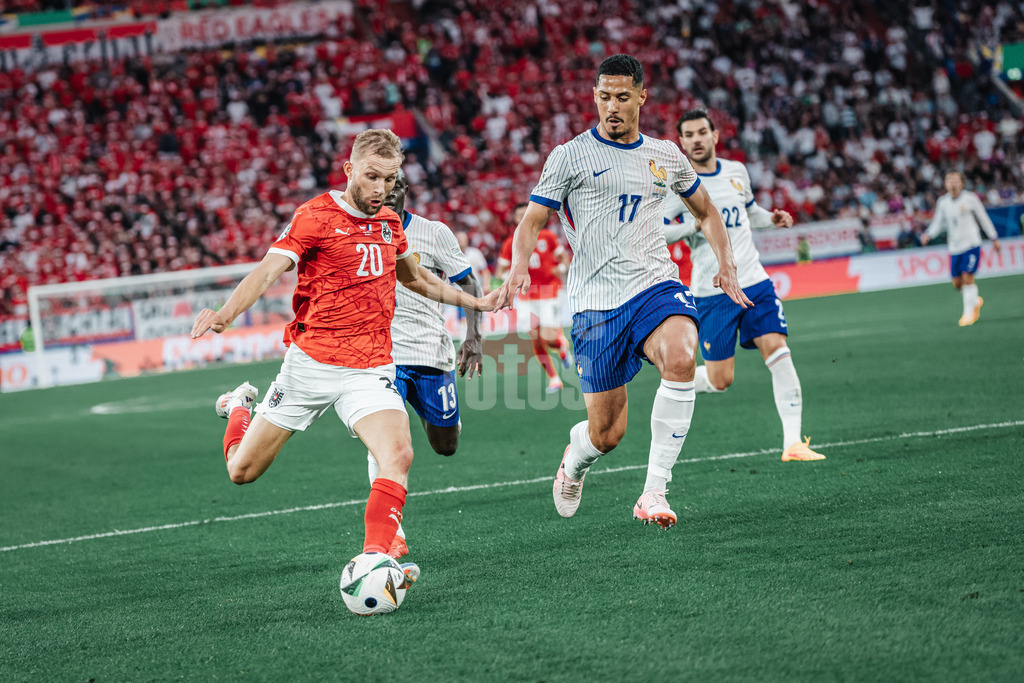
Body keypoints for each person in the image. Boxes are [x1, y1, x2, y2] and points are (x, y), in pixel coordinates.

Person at [190, 129, 499, 583]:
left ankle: (376, 559)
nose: (381, 189)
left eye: (389, 179)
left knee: (399, 453)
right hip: (310, 365)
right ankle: (239, 407)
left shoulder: (389, 223)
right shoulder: (314, 216)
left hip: (370, 367)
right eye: (372, 177)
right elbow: (268, 270)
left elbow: (416, 279)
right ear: (350, 169)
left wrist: (477, 303)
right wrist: (226, 314)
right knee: (241, 471)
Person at [497, 55, 750, 529]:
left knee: (681, 357)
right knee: (606, 434)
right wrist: (517, 269)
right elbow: (532, 220)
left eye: (621, 97)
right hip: (595, 304)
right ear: (594, 97)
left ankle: (654, 491)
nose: (611, 106)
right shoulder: (570, 156)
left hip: (655, 284)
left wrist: (727, 264)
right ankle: (575, 460)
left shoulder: (666, 154)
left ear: (641, 97)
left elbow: (706, 211)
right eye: (603, 97)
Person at [664, 108, 825, 462]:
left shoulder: (736, 171)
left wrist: (772, 218)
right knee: (721, 379)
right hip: (712, 291)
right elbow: (658, 230)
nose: (696, 139)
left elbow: (750, 213)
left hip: (753, 280)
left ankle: (793, 443)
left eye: (701, 132)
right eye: (689, 135)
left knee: (778, 350)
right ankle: (673, 382)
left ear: (714, 135)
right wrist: (689, 227)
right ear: (682, 142)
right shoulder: (678, 185)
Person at [366, 168, 485, 558]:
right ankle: (392, 533)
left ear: (406, 191)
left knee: (445, 445)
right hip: (382, 357)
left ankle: (439, 418)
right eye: (381, 183)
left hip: (430, 352)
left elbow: (469, 283)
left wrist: (473, 336)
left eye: (395, 184)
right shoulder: (358, 232)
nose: (387, 190)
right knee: (386, 445)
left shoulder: (433, 233)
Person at [496, 202, 573, 393]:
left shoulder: (547, 236)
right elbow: (500, 271)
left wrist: (560, 268)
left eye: (527, 213)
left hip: (549, 292)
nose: (524, 217)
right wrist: (511, 279)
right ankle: (554, 379)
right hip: (526, 297)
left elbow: (564, 259)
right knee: (535, 338)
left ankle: (561, 346)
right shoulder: (510, 243)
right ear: (515, 219)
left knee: (549, 338)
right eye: (519, 215)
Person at [920, 171, 1002, 326]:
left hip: (971, 244)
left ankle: (968, 314)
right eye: (949, 180)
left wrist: (994, 237)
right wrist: (928, 234)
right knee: (957, 283)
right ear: (945, 184)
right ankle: (975, 301)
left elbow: (983, 218)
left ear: (962, 183)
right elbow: (938, 223)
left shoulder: (970, 199)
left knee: (967, 277)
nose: (952, 183)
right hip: (954, 247)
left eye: (955, 180)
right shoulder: (943, 202)